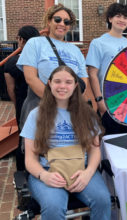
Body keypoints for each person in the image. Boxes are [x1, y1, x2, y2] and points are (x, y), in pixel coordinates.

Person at [21, 66, 111, 219]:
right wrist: (43, 175)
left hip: (80, 170)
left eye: (68, 82)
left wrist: (88, 173)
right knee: (53, 207)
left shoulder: (86, 113)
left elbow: (95, 150)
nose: (62, 86)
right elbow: (30, 159)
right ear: (49, 83)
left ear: (75, 85)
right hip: (48, 170)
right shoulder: (35, 115)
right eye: (57, 81)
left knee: (103, 201)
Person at [16, 4, 88, 131]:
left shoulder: (76, 51)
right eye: (57, 19)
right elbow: (31, 78)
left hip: (69, 110)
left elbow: (83, 81)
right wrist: (56, 103)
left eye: (66, 21)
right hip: (41, 107)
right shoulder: (35, 43)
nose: (62, 24)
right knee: (38, 148)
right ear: (49, 21)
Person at [86, 2, 127, 135]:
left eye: (126, 17)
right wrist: (99, 100)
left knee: (126, 140)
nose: (122, 20)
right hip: (108, 103)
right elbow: (92, 74)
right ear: (110, 18)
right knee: (109, 142)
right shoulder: (98, 43)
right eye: (118, 16)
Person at [4, 25, 40, 171]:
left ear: (21, 40)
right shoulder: (41, 60)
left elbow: (10, 89)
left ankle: (22, 171)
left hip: (23, 103)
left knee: (24, 136)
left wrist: (18, 103)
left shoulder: (11, 63)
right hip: (41, 100)